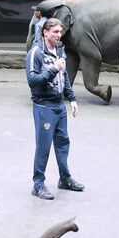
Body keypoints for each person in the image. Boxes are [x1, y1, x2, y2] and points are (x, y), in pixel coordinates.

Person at [26, 13, 82, 200]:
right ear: (45, 32)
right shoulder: (36, 53)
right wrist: (53, 69)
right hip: (44, 106)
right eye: (55, 32)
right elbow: (33, 81)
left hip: (59, 106)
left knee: (63, 143)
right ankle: (38, 184)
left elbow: (64, 76)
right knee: (43, 146)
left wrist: (72, 99)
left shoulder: (59, 50)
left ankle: (65, 178)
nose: (59, 35)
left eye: (61, 32)